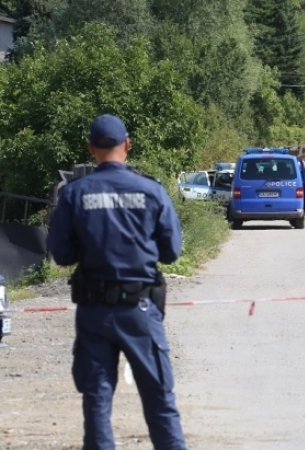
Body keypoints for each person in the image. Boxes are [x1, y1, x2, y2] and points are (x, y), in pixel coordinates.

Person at [46, 114, 189, 450]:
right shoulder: (150, 190)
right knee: (159, 399)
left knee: (96, 400)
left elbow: (62, 255)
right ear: (127, 144)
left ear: (91, 148)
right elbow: (171, 251)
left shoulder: (75, 193)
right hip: (139, 309)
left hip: (93, 311)